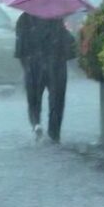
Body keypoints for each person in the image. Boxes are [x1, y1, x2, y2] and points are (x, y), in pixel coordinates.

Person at [15, 11, 75, 143]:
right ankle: (54, 135)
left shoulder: (23, 20)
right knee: (57, 101)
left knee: (33, 101)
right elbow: (67, 44)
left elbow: (19, 50)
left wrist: (27, 69)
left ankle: (36, 124)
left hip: (33, 65)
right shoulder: (56, 18)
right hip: (56, 66)